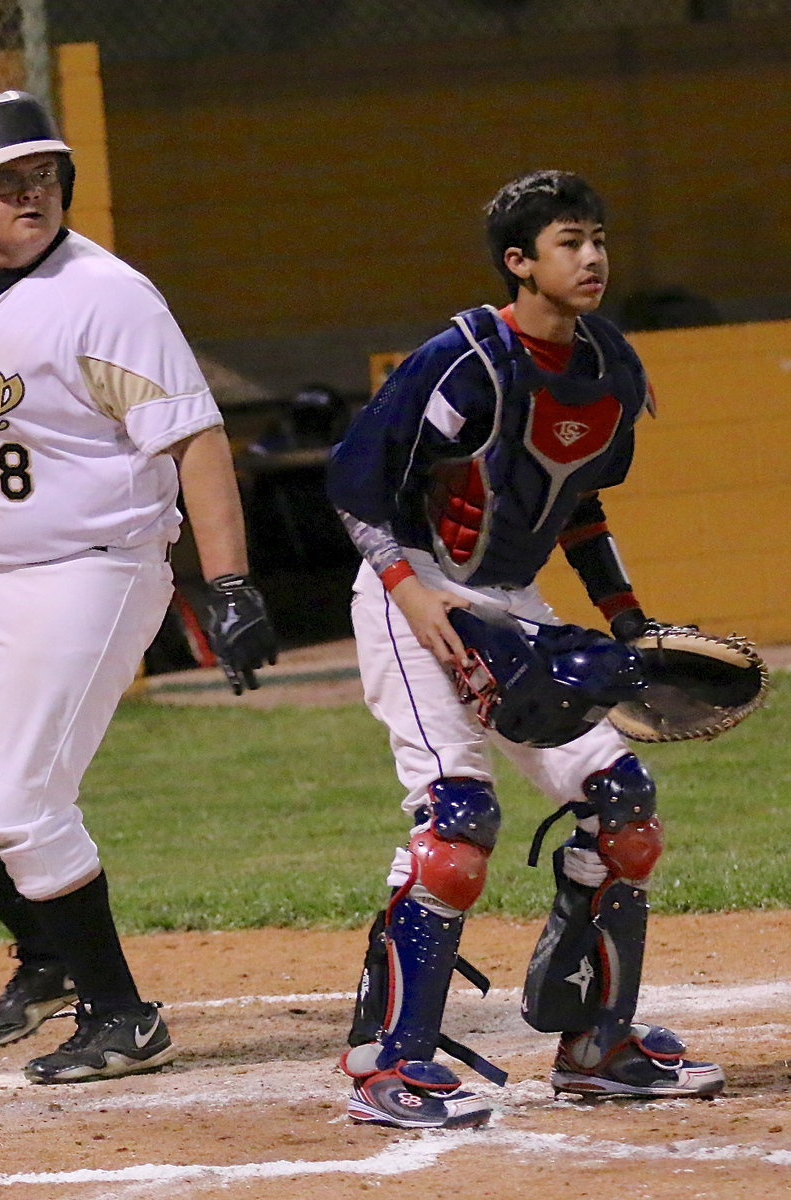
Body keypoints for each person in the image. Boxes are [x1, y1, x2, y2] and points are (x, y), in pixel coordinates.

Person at [0, 90, 277, 1086]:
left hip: (86, 572)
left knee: (19, 800)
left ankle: (123, 1016)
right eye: (4, 182)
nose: (29, 194)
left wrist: (231, 582)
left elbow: (195, 440)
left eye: (43, 175)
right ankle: (45, 947)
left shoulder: (109, 296)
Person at [326, 170, 724, 1129]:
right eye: (568, 243)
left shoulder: (607, 367)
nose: (591, 258)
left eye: (597, 239)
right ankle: (391, 1063)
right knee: (457, 826)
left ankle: (596, 1043)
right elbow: (355, 483)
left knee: (624, 807)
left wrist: (627, 620)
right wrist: (410, 593)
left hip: (509, 599)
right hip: (411, 588)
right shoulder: (466, 360)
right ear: (520, 263)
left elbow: (578, 504)